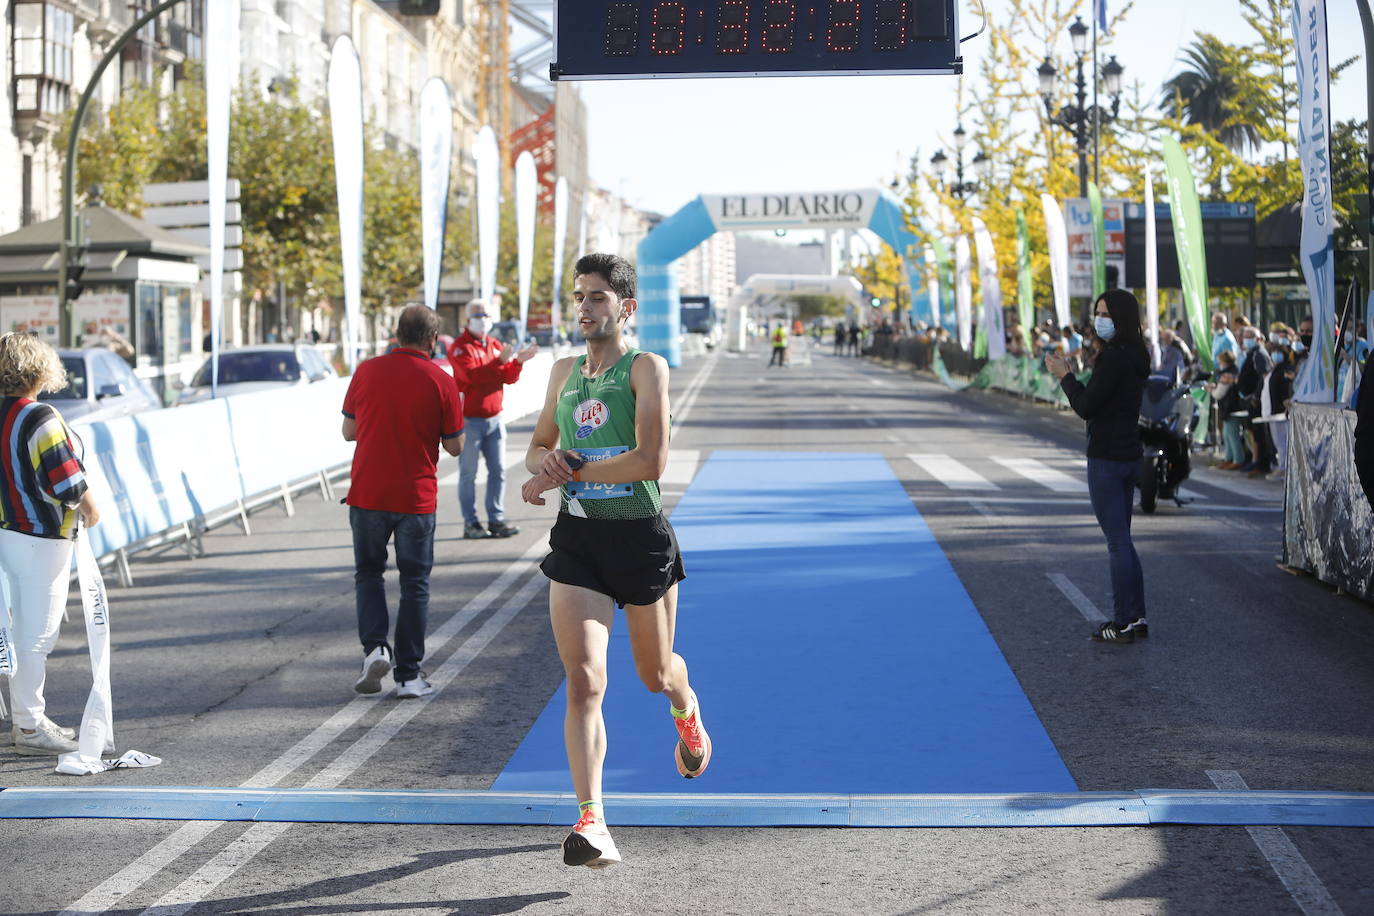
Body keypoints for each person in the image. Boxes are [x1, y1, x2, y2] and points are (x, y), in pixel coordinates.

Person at [519, 253, 710, 869]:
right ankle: (592, 819)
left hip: (640, 538)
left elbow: (652, 461)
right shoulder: (562, 372)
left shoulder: (646, 368)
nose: (584, 308)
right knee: (585, 680)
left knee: (653, 675)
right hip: (578, 541)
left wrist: (574, 467)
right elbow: (536, 448)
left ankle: (685, 707)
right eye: (579, 297)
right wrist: (546, 466)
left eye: (597, 297)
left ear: (625, 307)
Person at [342, 305, 464, 699]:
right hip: (415, 496)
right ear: (432, 340)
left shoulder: (366, 371)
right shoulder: (441, 380)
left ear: (396, 335)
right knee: (414, 584)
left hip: (368, 493)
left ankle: (375, 648)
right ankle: (409, 675)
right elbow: (456, 445)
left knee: (368, 574)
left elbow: (348, 431)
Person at [0, 332, 102, 754]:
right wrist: (91, 508)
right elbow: (65, 481)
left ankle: (28, 717)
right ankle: (28, 725)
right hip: (41, 537)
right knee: (36, 635)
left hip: (7, 532)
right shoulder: (39, 416)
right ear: (38, 369)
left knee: (17, 631)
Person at [1046, 289, 1150, 644]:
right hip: (1129, 453)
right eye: (1097, 312)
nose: (1099, 319)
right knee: (1124, 539)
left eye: (1105, 313)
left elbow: (1087, 406)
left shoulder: (1115, 358)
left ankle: (1122, 622)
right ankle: (1136, 617)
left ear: (1120, 317)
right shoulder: (1137, 354)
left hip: (1106, 455)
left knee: (1117, 541)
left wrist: (1065, 376)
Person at [448, 299, 538, 540]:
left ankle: (496, 519)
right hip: (469, 420)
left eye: (486, 315)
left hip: (495, 418)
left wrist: (517, 362)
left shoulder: (495, 344)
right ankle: (471, 522)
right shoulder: (460, 347)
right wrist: (498, 363)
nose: (483, 319)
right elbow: (471, 375)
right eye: (478, 315)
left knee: (497, 472)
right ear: (467, 319)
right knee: (468, 474)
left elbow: (507, 377)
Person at [1236, 325, 1274, 476]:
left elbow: (1263, 376)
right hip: (1250, 399)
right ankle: (1255, 460)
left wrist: (1256, 396)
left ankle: (1262, 464)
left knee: (1259, 433)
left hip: (1256, 400)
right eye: (1244, 336)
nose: (1245, 339)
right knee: (1253, 432)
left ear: (1258, 338)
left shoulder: (1259, 354)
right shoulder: (1251, 353)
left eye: (1249, 336)